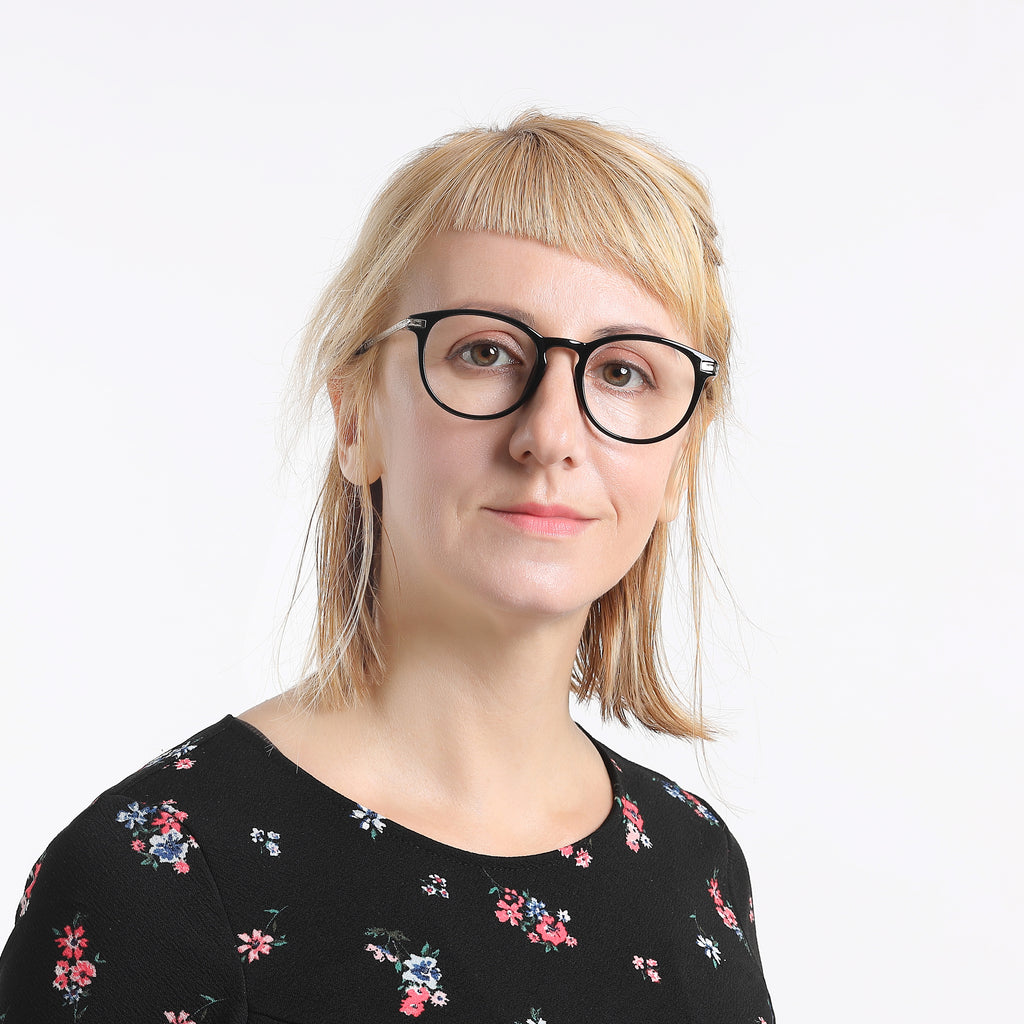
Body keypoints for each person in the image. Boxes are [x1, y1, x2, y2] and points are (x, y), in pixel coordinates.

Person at [0, 112, 774, 1022]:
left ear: (680, 460)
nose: (551, 435)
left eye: (624, 372)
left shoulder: (694, 860)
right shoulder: (155, 880)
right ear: (357, 418)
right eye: (485, 353)